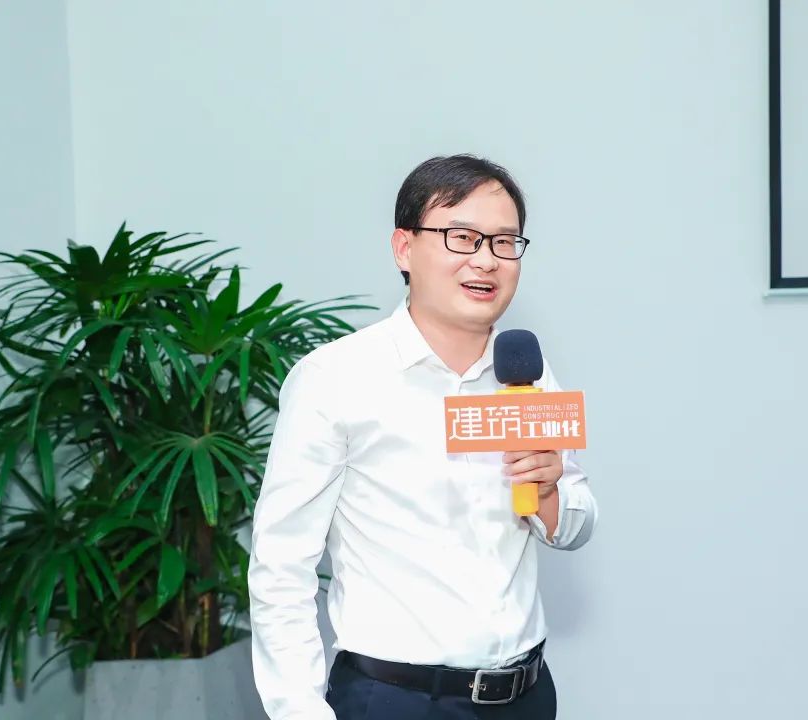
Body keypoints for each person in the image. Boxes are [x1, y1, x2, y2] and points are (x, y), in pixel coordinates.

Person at [249, 155, 598, 719]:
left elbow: (577, 525)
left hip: (525, 696)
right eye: (462, 237)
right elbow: (281, 569)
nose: (485, 259)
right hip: (397, 699)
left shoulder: (525, 374)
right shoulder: (334, 379)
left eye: (504, 242)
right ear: (404, 248)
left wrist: (550, 492)